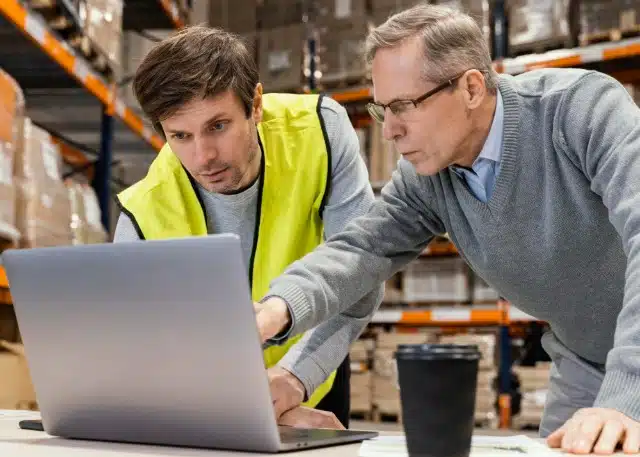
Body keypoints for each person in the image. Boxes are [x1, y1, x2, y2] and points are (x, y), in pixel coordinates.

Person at [256, 3, 640, 455]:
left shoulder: (579, 110)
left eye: (403, 106)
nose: (389, 132)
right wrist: (275, 309)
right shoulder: (428, 180)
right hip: (584, 359)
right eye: (383, 111)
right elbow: (360, 249)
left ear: (472, 87)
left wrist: (626, 393)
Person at [112, 26, 383, 429]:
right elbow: (137, 348)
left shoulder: (319, 133)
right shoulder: (143, 209)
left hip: (312, 370)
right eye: (180, 136)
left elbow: (360, 276)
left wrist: (295, 378)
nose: (203, 156)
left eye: (217, 126)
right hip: (206, 400)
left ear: (255, 105)